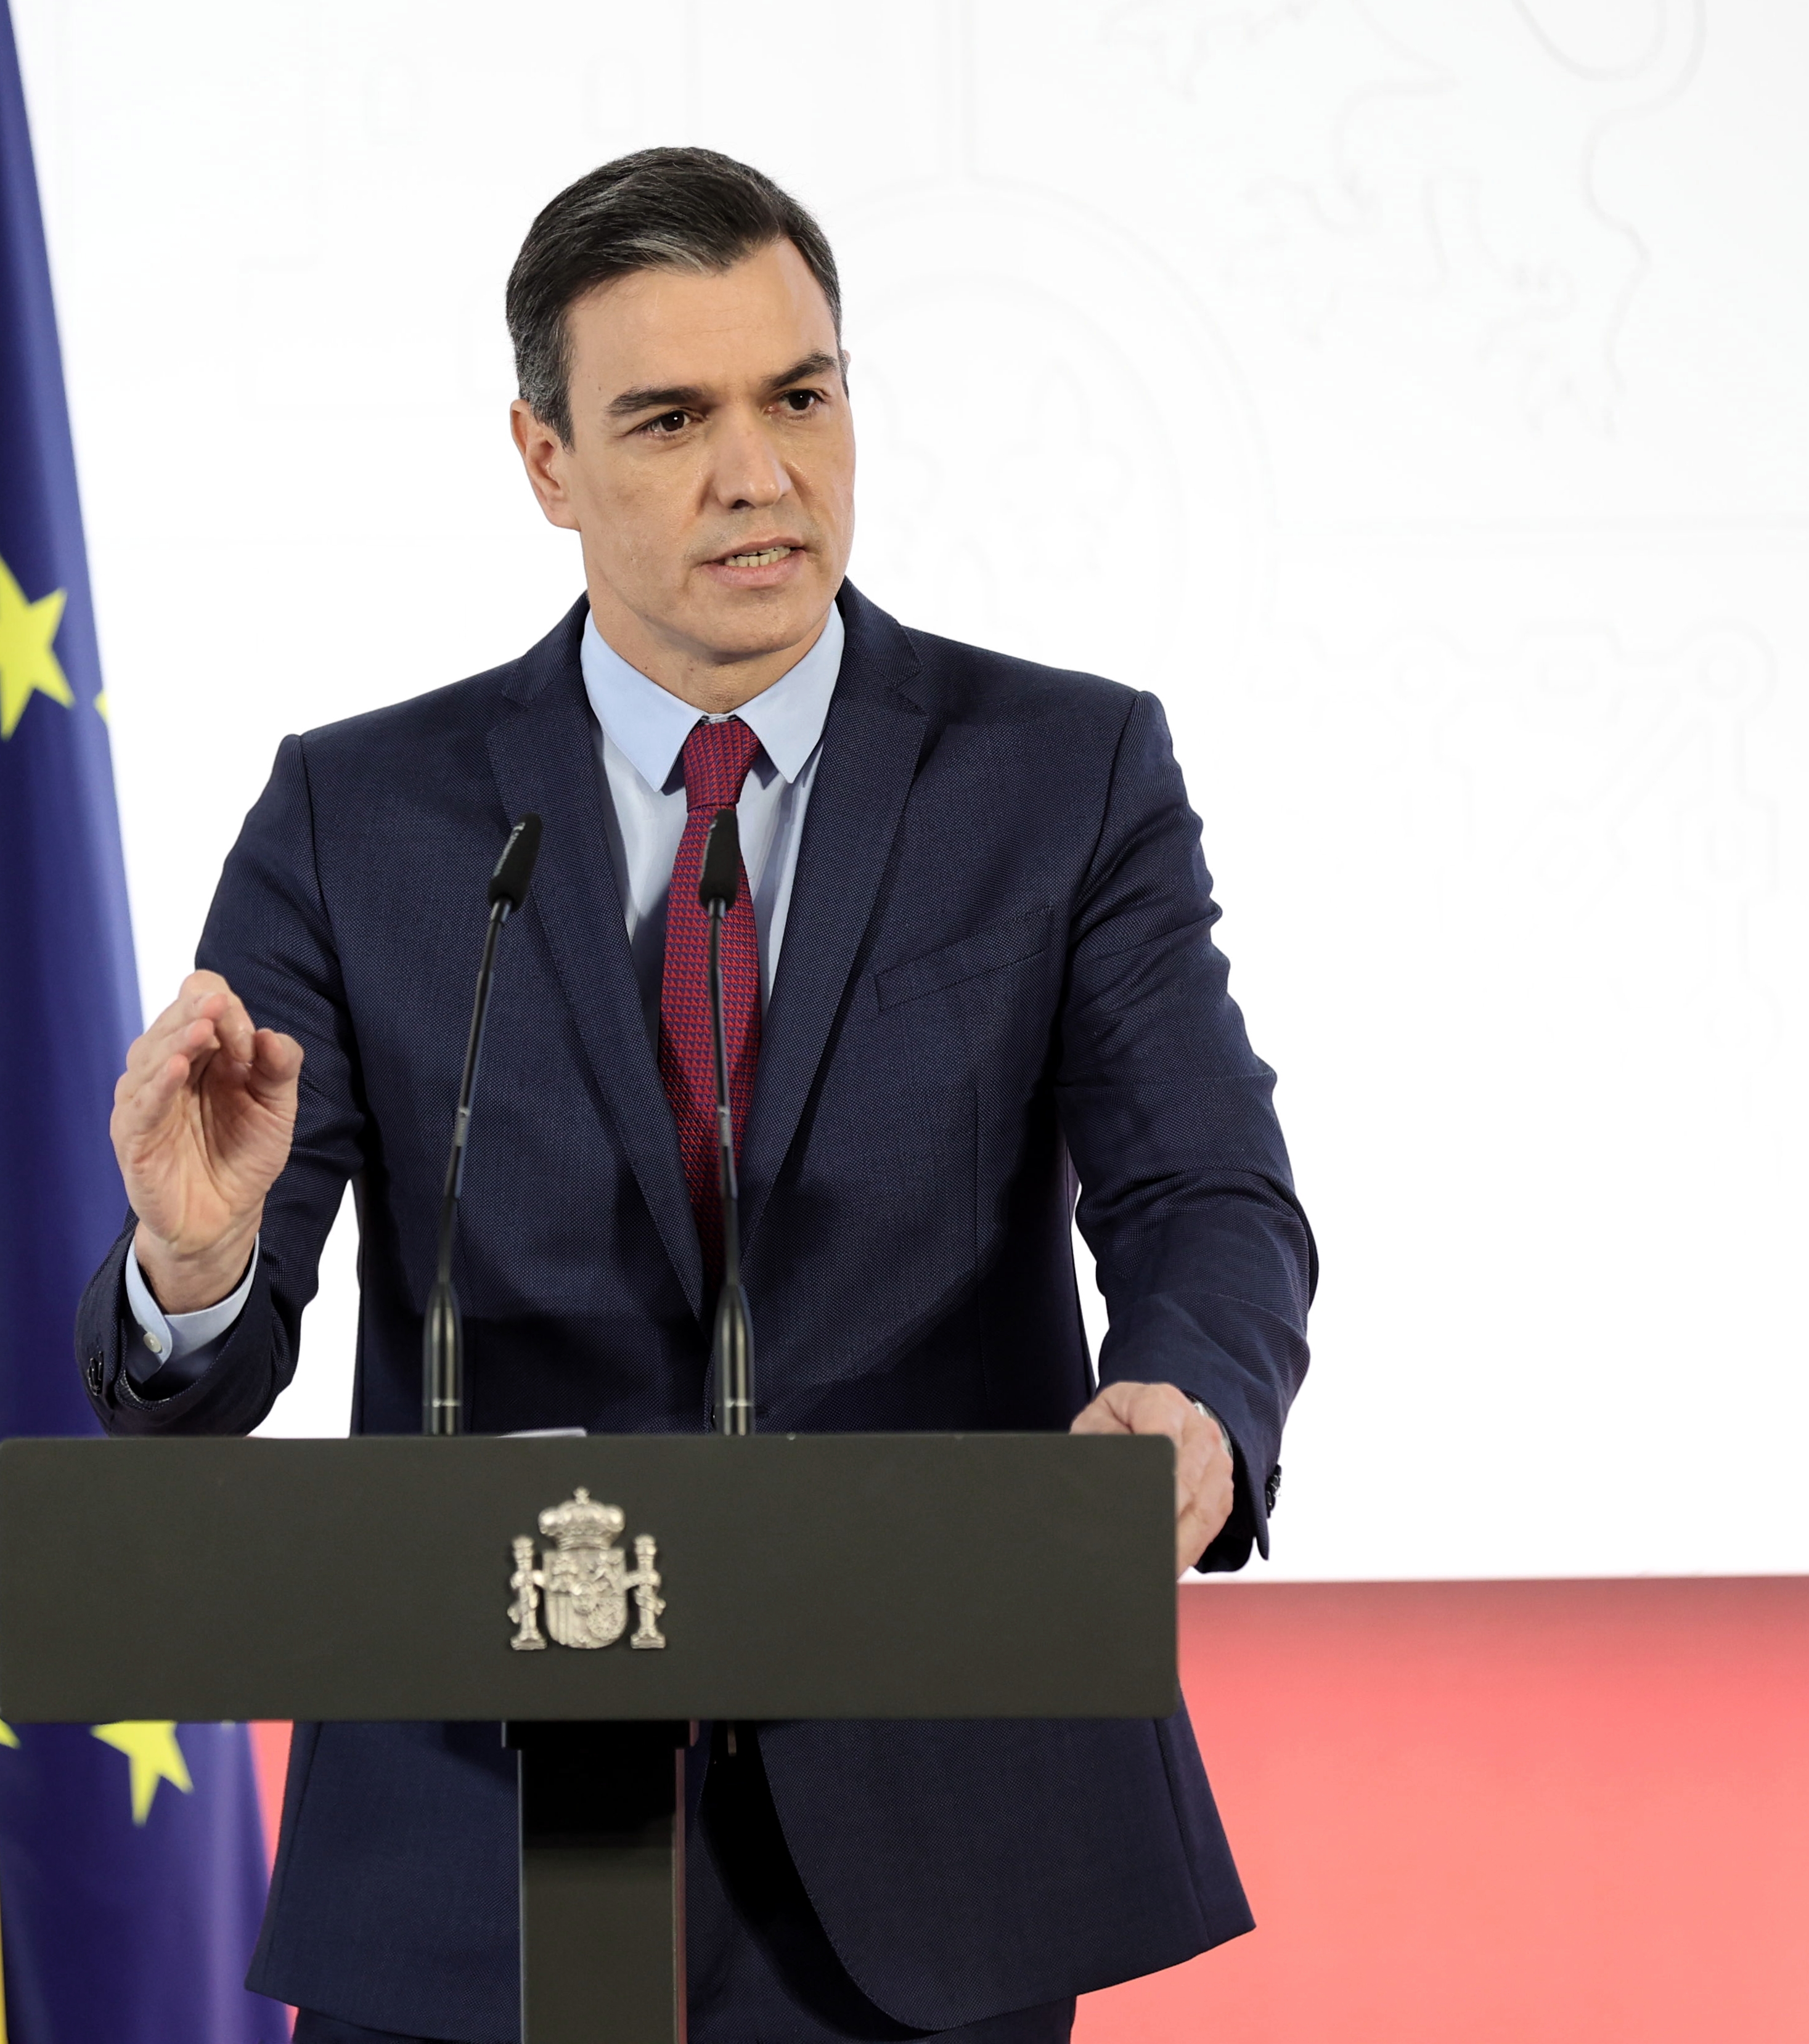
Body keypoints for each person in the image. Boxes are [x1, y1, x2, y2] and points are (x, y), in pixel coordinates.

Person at [79, 146, 1313, 2043]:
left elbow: (1206, 1193)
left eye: (798, 396)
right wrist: (196, 1262)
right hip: (473, 1843)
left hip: (929, 1837)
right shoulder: (360, 817)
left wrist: (1195, 1406)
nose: (759, 471)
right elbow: (205, 1389)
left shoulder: (1061, 775)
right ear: (545, 461)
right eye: (670, 417)